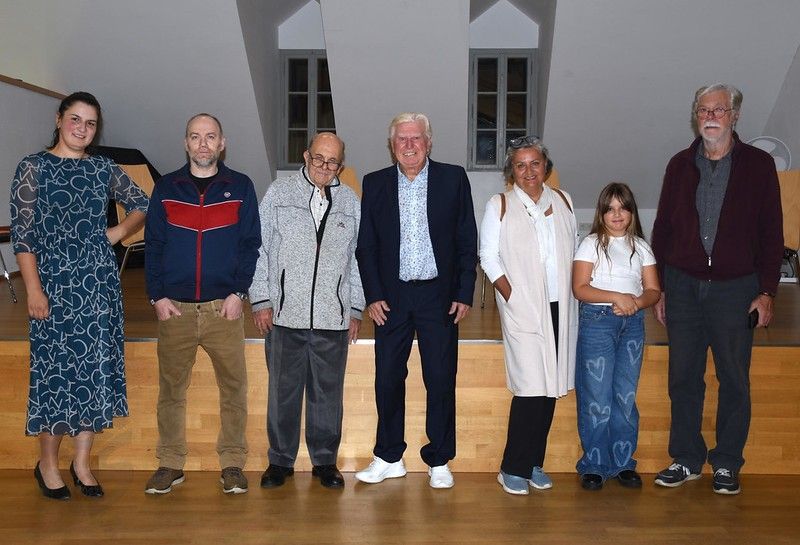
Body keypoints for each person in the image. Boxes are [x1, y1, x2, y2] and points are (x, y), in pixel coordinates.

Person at [10, 91, 148, 500]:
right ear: (58, 119)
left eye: (90, 123)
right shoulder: (34, 168)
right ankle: (48, 464)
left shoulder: (103, 168)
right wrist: (33, 289)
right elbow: (23, 237)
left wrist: (118, 233)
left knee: (94, 371)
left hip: (99, 285)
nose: (82, 129)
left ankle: (82, 463)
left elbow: (143, 202)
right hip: (52, 286)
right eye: (75, 120)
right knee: (55, 376)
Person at [651, 83, 783, 495]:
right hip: (684, 287)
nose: (711, 116)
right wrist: (661, 288)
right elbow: (664, 230)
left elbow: (771, 231)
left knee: (734, 378)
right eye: (704, 109)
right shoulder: (678, 165)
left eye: (720, 110)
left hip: (736, 289)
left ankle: (726, 463)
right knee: (684, 377)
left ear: (735, 116)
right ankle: (686, 458)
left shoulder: (759, 166)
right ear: (696, 115)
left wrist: (766, 291)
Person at [355, 112, 477, 489]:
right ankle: (389, 456)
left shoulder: (453, 178)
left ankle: (439, 459)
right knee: (387, 378)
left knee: (440, 377)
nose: (409, 145)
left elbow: (465, 237)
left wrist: (464, 291)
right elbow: (367, 247)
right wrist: (373, 295)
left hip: (438, 296)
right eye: (402, 139)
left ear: (429, 142)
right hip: (390, 298)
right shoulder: (375, 183)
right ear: (392, 145)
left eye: (416, 138)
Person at [144, 113, 260, 495]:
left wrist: (238, 293)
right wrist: (156, 296)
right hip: (174, 309)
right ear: (186, 143)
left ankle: (231, 463)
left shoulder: (240, 186)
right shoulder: (166, 187)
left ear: (222, 142)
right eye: (195, 137)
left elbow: (249, 246)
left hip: (222, 309)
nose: (203, 144)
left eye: (210, 137)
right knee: (171, 391)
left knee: (233, 389)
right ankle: (170, 463)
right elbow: (155, 245)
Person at [249, 132, 364, 489]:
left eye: (333, 162)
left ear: (340, 165)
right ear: (306, 156)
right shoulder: (279, 194)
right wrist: (262, 299)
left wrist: (355, 306)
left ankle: (325, 461)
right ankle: (280, 460)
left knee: (327, 393)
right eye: (318, 159)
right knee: (282, 392)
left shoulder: (350, 201)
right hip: (284, 316)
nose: (324, 168)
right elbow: (260, 248)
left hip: (333, 315)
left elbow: (358, 257)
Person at [479, 136, 578, 495]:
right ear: (512, 172)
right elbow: (488, 257)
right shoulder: (500, 204)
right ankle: (512, 467)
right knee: (530, 387)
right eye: (520, 165)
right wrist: (513, 296)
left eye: (535, 163)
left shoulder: (563, 200)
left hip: (561, 305)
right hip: (523, 308)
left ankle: (535, 462)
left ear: (545, 167)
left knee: (550, 387)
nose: (528, 171)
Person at [572, 182, 661, 491]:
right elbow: (580, 288)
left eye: (622, 207)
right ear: (601, 214)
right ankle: (594, 464)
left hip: (632, 323)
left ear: (632, 212)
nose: (617, 214)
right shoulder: (591, 243)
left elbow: (653, 290)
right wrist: (616, 297)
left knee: (624, 397)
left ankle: (623, 462)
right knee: (598, 397)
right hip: (598, 322)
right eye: (610, 208)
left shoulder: (642, 246)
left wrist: (635, 302)